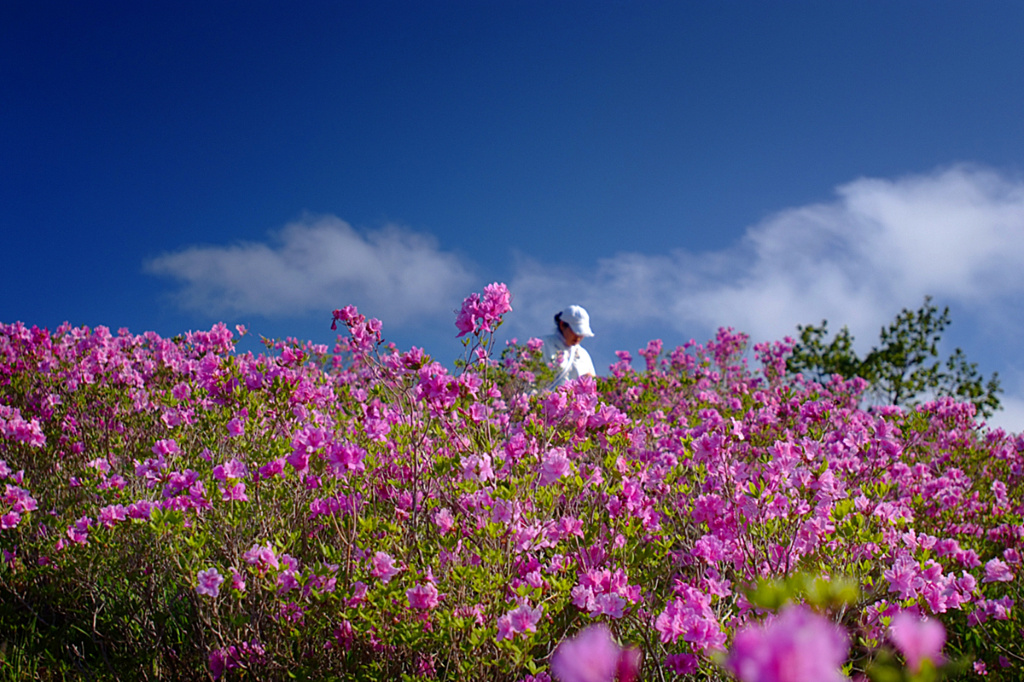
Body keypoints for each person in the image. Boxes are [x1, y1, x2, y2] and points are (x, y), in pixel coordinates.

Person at [540, 305, 596, 389]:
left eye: (581, 333)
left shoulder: (584, 355)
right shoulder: (542, 345)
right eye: (575, 331)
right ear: (562, 325)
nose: (578, 337)